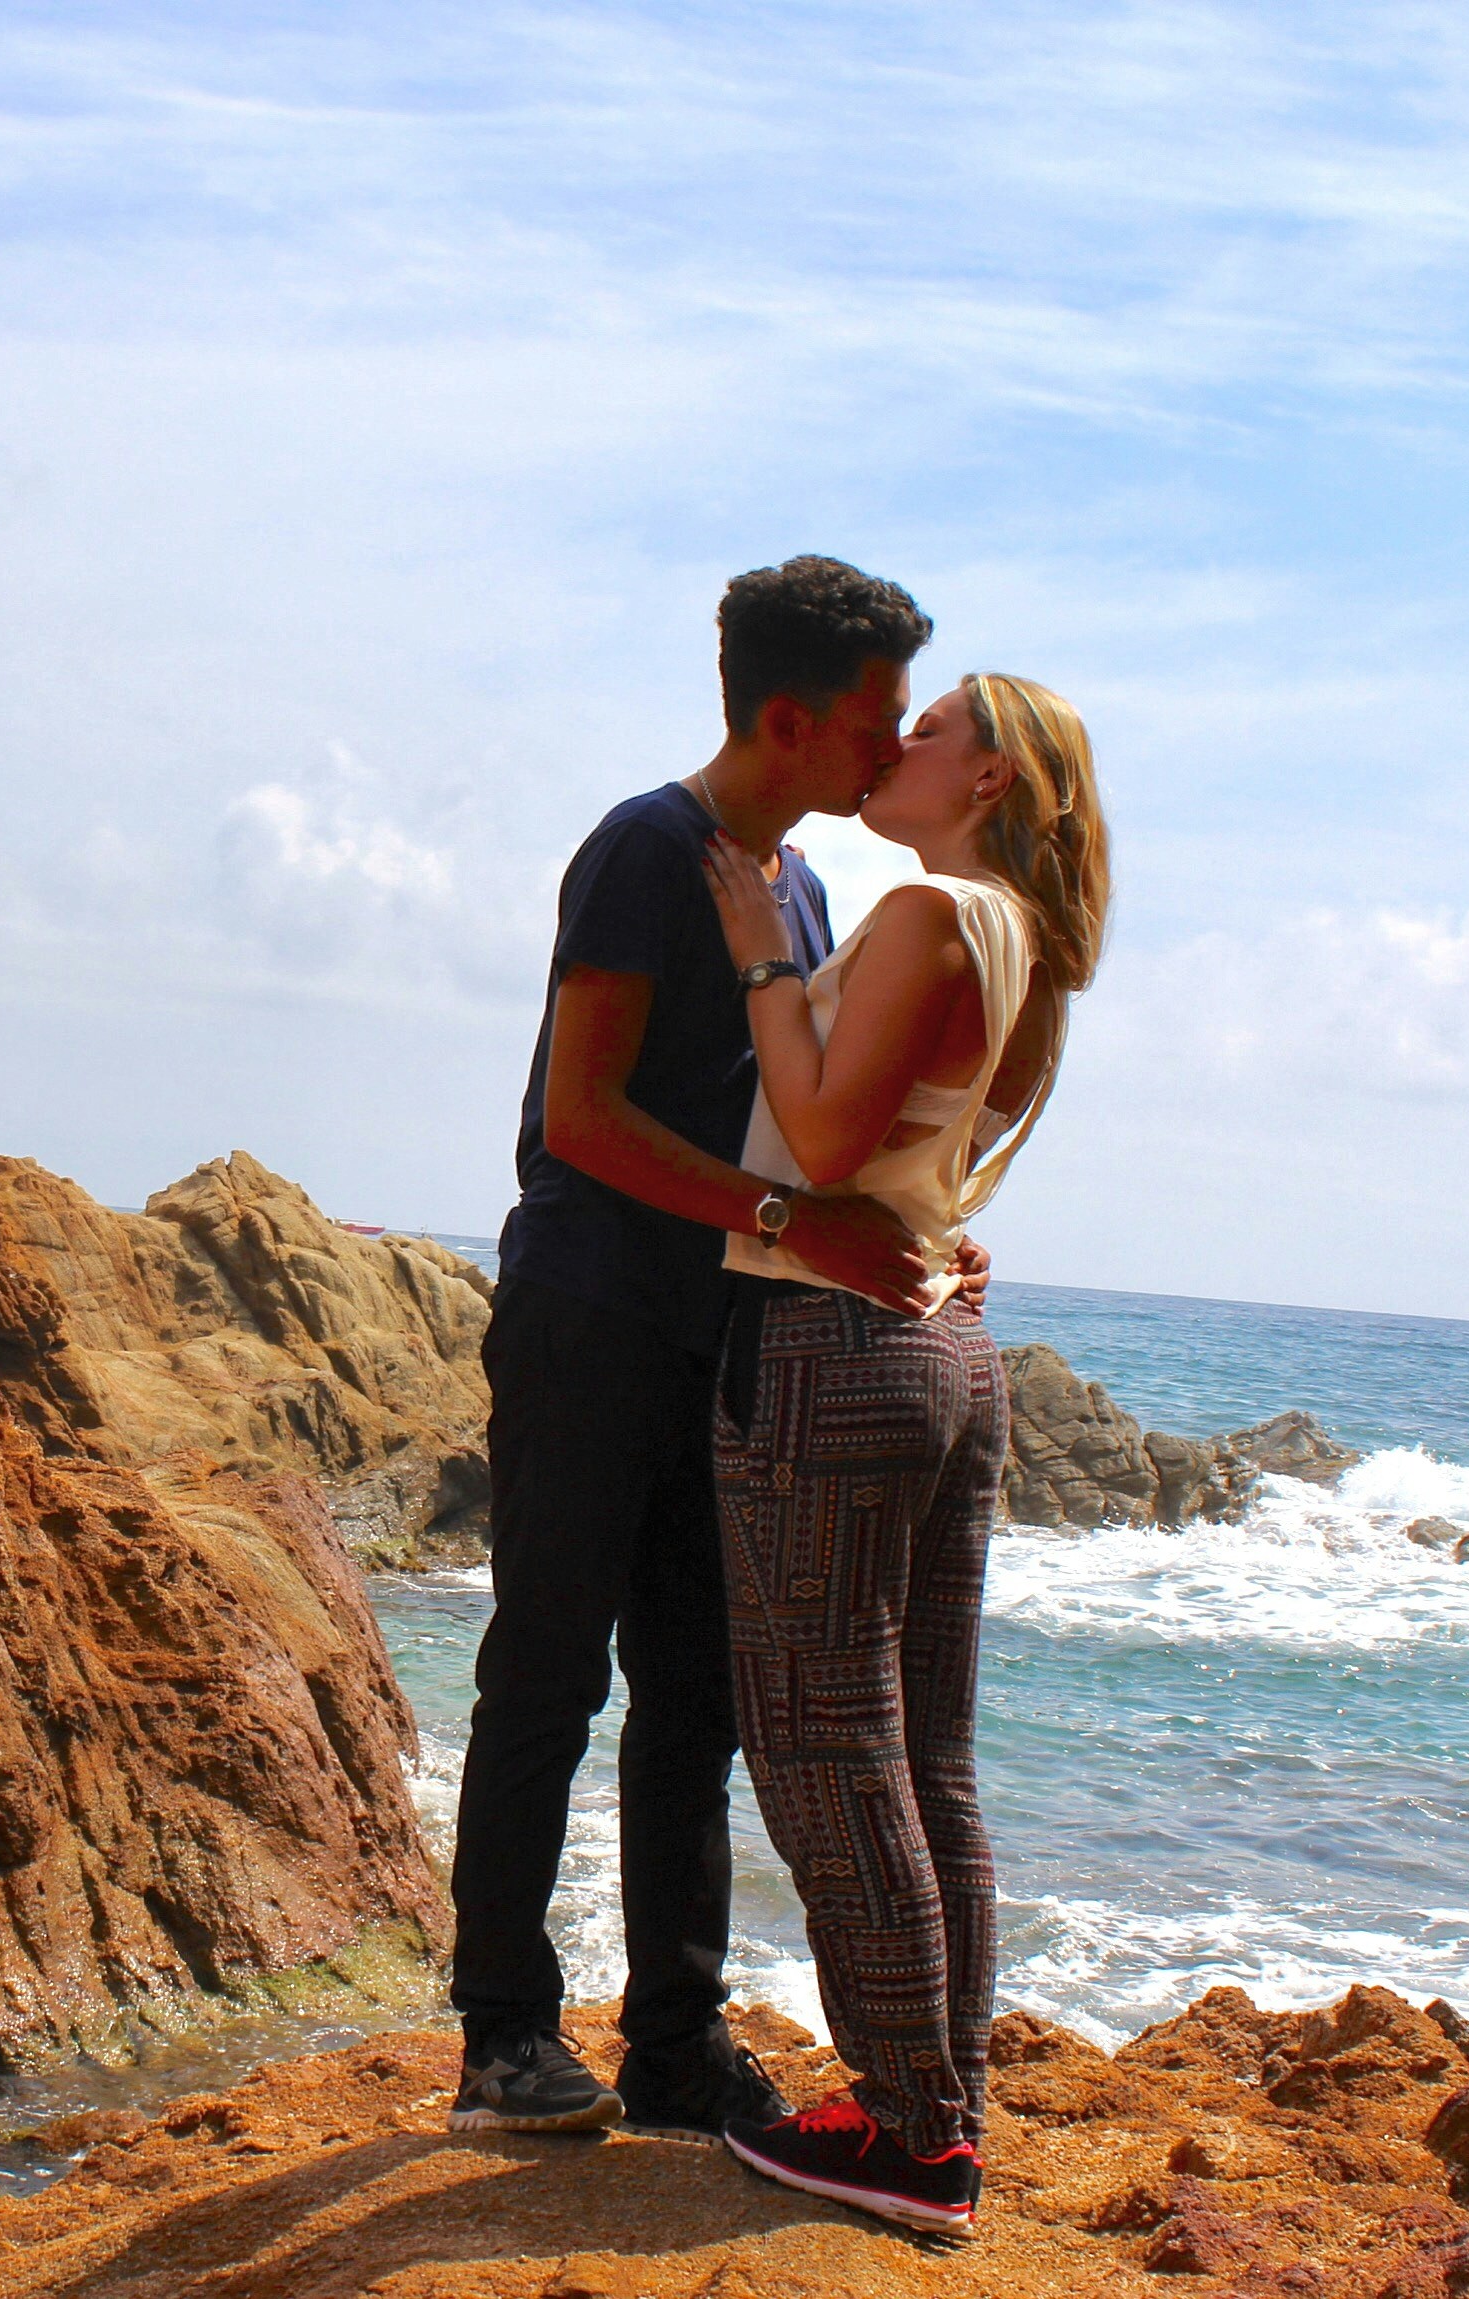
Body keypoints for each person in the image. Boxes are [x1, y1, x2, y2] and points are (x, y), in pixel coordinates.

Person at [447, 557, 988, 2140]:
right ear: (790, 717)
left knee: (699, 1692)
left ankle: (672, 2044)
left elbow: (815, 1128)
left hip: (730, 1333)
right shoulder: (648, 849)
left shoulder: (803, 890)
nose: (890, 751)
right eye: (878, 720)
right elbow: (580, 1116)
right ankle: (501, 2034)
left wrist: (911, 1229)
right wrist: (791, 1219)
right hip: (593, 1311)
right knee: (546, 1670)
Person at [695, 672, 1109, 2233]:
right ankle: (942, 2107)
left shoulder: (932, 916)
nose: (895, 749)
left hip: (825, 1346)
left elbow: (817, 1143)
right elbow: (921, 1156)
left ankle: (914, 2137)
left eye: (927, 735)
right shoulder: (1020, 943)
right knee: (924, 1756)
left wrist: (755, 960)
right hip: (939, 1346)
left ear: (990, 782)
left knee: (822, 1748)